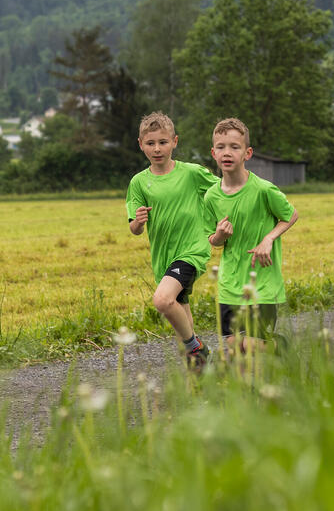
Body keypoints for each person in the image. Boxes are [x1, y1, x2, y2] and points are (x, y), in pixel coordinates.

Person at [126, 112, 218, 371]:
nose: (157, 149)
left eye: (163, 142)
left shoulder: (192, 173)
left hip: (192, 251)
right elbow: (133, 228)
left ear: (175, 142)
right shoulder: (138, 183)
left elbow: (224, 192)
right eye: (151, 143)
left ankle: (197, 347)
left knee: (163, 300)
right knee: (183, 331)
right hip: (164, 259)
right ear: (141, 144)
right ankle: (203, 380)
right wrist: (139, 222)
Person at [204, 118, 298, 353]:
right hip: (229, 284)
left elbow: (291, 215)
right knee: (236, 347)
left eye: (234, 147)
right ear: (213, 153)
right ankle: (252, 383)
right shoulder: (211, 197)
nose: (227, 153)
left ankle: (279, 347)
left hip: (262, 283)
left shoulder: (264, 189)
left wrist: (269, 238)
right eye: (221, 147)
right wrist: (219, 236)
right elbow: (210, 240)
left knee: (252, 346)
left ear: (247, 153)